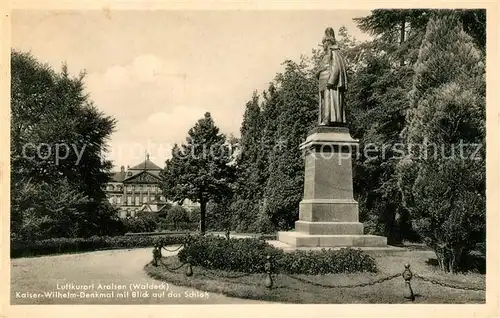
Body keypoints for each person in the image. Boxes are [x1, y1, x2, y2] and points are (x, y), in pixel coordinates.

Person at [316, 27, 348, 125]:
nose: (323, 45)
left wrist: (331, 80)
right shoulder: (325, 55)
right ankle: (325, 120)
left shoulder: (334, 52)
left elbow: (336, 67)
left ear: (328, 43)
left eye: (324, 43)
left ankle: (328, 120)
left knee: (329, 102)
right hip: (323, 82)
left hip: (330, 83)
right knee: (324, 103)